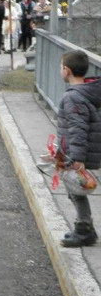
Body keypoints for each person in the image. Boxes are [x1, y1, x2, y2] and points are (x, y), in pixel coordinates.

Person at [55, 50, 101, 248]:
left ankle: (84, 230)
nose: (60, 71)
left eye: (60, 67)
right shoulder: (86, 92)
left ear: (67, 70)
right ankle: (85, 227)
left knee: (76, 190)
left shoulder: (74, 97)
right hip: (74, 150)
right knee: (74, 189)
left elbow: (78, 128)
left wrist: (77, 158)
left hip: (75, 153)